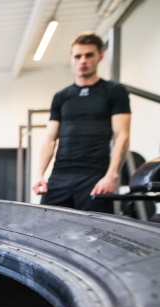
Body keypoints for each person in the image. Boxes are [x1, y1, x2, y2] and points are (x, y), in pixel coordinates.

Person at [32, 33, 131, 213]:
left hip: (94, 175)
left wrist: (111, 175)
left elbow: (122, 135)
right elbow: (50, 139)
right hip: (60, 174)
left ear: (99, 57)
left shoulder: (114, 91)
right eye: (78, 56)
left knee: (93, 236)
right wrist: (39, 174)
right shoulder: (62, 96)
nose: (83, 60)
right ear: (71, 59)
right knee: (44, 228)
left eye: (89, 55)